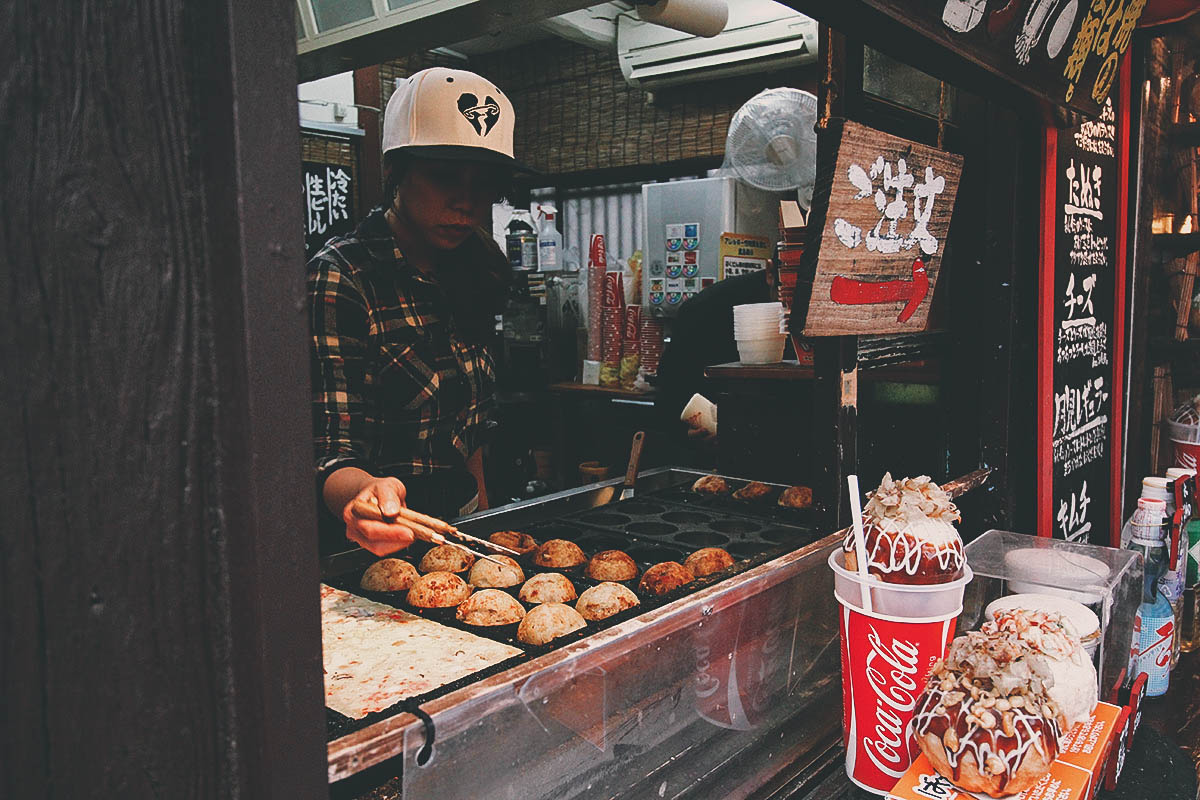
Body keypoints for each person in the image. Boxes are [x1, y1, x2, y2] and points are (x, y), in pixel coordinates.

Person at [308, 68, 525, 555]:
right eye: (444, 174)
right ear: (395, 172)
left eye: (484, 182)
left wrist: (484, 524)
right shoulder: (344, 277)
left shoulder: (477, 267)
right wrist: (362, 497)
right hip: (374, 535)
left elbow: (470, 431)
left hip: (462, 529)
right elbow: (329, 450)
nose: (466, 201)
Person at [654, 263, 777, 460]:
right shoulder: (709, 309)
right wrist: (686, 436)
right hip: (714, 456)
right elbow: (669, 395)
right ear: (771, 273)